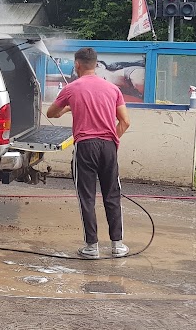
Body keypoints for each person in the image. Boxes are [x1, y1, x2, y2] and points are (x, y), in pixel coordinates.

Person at [46, 47, 131, 258]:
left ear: (77, 64)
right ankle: (118, 245)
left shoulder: (72, 88)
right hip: (109, 146)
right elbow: (125, 121)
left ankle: (92, 247)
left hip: (85, 146)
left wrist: (68, 108)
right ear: (96, 64)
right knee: (112, 194)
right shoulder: (113, 89)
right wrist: (112, 140)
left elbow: (51, 113)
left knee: (87, 197)